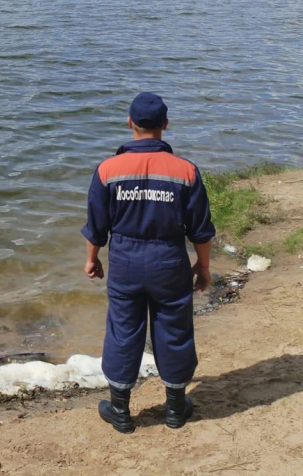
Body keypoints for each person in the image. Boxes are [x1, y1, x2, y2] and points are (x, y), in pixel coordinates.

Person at [81, 92, 215, 433]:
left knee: (124, 332)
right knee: (175, 330)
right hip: (169, 260)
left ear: (130, 123)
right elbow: (200, 229)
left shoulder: (108, 170)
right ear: (165, 126)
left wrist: (92, 259)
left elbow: (96, 225)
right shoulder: (185, 171)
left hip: (125, 260)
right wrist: (203, 266)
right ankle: (174, 409)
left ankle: (120, 410)